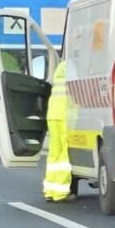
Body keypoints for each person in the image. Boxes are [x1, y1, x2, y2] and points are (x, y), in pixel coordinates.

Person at [44, 60, 73, 202]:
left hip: (53, 114)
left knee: (54, 153)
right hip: (66, 115)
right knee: (64, 155)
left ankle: (49, 190)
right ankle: (61, 192)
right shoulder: (76, 66)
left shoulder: (61, 66)